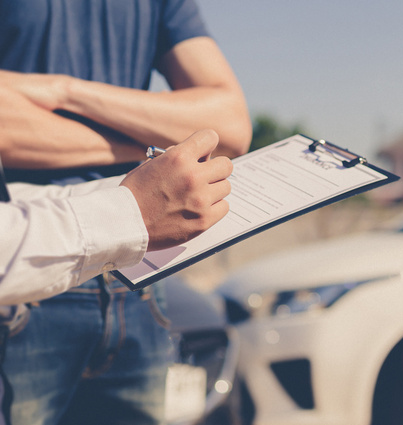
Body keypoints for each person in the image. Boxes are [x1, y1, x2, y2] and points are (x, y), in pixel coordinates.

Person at [0, 1, 252, 424]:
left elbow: (229, 126)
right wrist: (160, 149)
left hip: (138, 274)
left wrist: (66, 90)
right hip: (28, 272)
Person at [0, 129, 232, 425]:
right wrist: (130, 210)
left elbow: (230, 130)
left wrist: (138, 193)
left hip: (132, 289)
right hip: (36, 298)